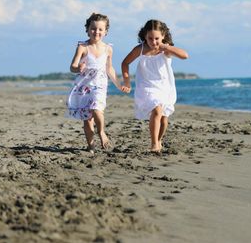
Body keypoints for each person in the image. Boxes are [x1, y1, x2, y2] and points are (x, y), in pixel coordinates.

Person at [121, 19, 188, 153]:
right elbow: (125, 63)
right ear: (145, 36)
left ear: (163, 36)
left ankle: (159, 140)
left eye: (157, 38)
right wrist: (127, 81)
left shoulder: (166, 50)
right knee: (156, 110)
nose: (154, 42)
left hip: (164, 86)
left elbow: (185, 56)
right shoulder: (140, 49)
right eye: (150, 38)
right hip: (146, 87)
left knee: (163, 118)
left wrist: (167, 47)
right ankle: (154, 144)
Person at [67, 13, 128, 152]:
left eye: (101, 29)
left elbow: (109, 68)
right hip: (84, 86)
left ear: (106, 31)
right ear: (87, 30)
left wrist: (119, 84)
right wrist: (78, 68)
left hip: (100, 85)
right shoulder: (82, 47)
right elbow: (72, 66)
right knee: (87, 119)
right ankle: (91, 146)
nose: (97, 32)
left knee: (97, 108)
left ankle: (101, 132)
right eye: (93, 29)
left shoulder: (108, 49)